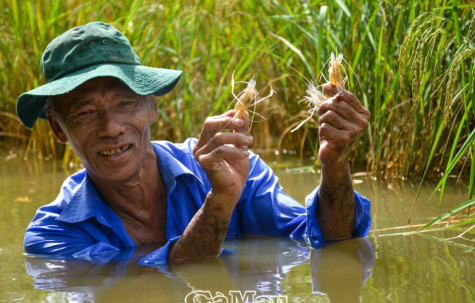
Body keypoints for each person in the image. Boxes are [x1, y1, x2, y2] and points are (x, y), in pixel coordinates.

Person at [17, 22, 371, 266]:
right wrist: (219, 201)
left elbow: (329, 240)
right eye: (85, 113)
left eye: (125, 104)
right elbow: (149, 282)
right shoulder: (53, 235)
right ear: (58, 129)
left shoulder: (235, 169)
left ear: (152, 106)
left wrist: (334, 163)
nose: (111, 128)